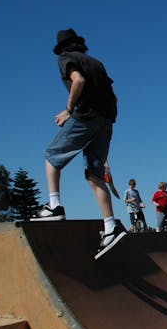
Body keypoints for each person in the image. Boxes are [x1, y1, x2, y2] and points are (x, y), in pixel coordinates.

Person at [32, 28, 126, 259]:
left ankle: (54, 206)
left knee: (51, 156)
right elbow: (115, 97)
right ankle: (111, 227)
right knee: (94, 175)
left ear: (62, 48)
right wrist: (104, 121)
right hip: (106, 120)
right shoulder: (97, 63)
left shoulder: (66, 58)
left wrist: (69, 110)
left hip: (87, 116)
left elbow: (78, 80)